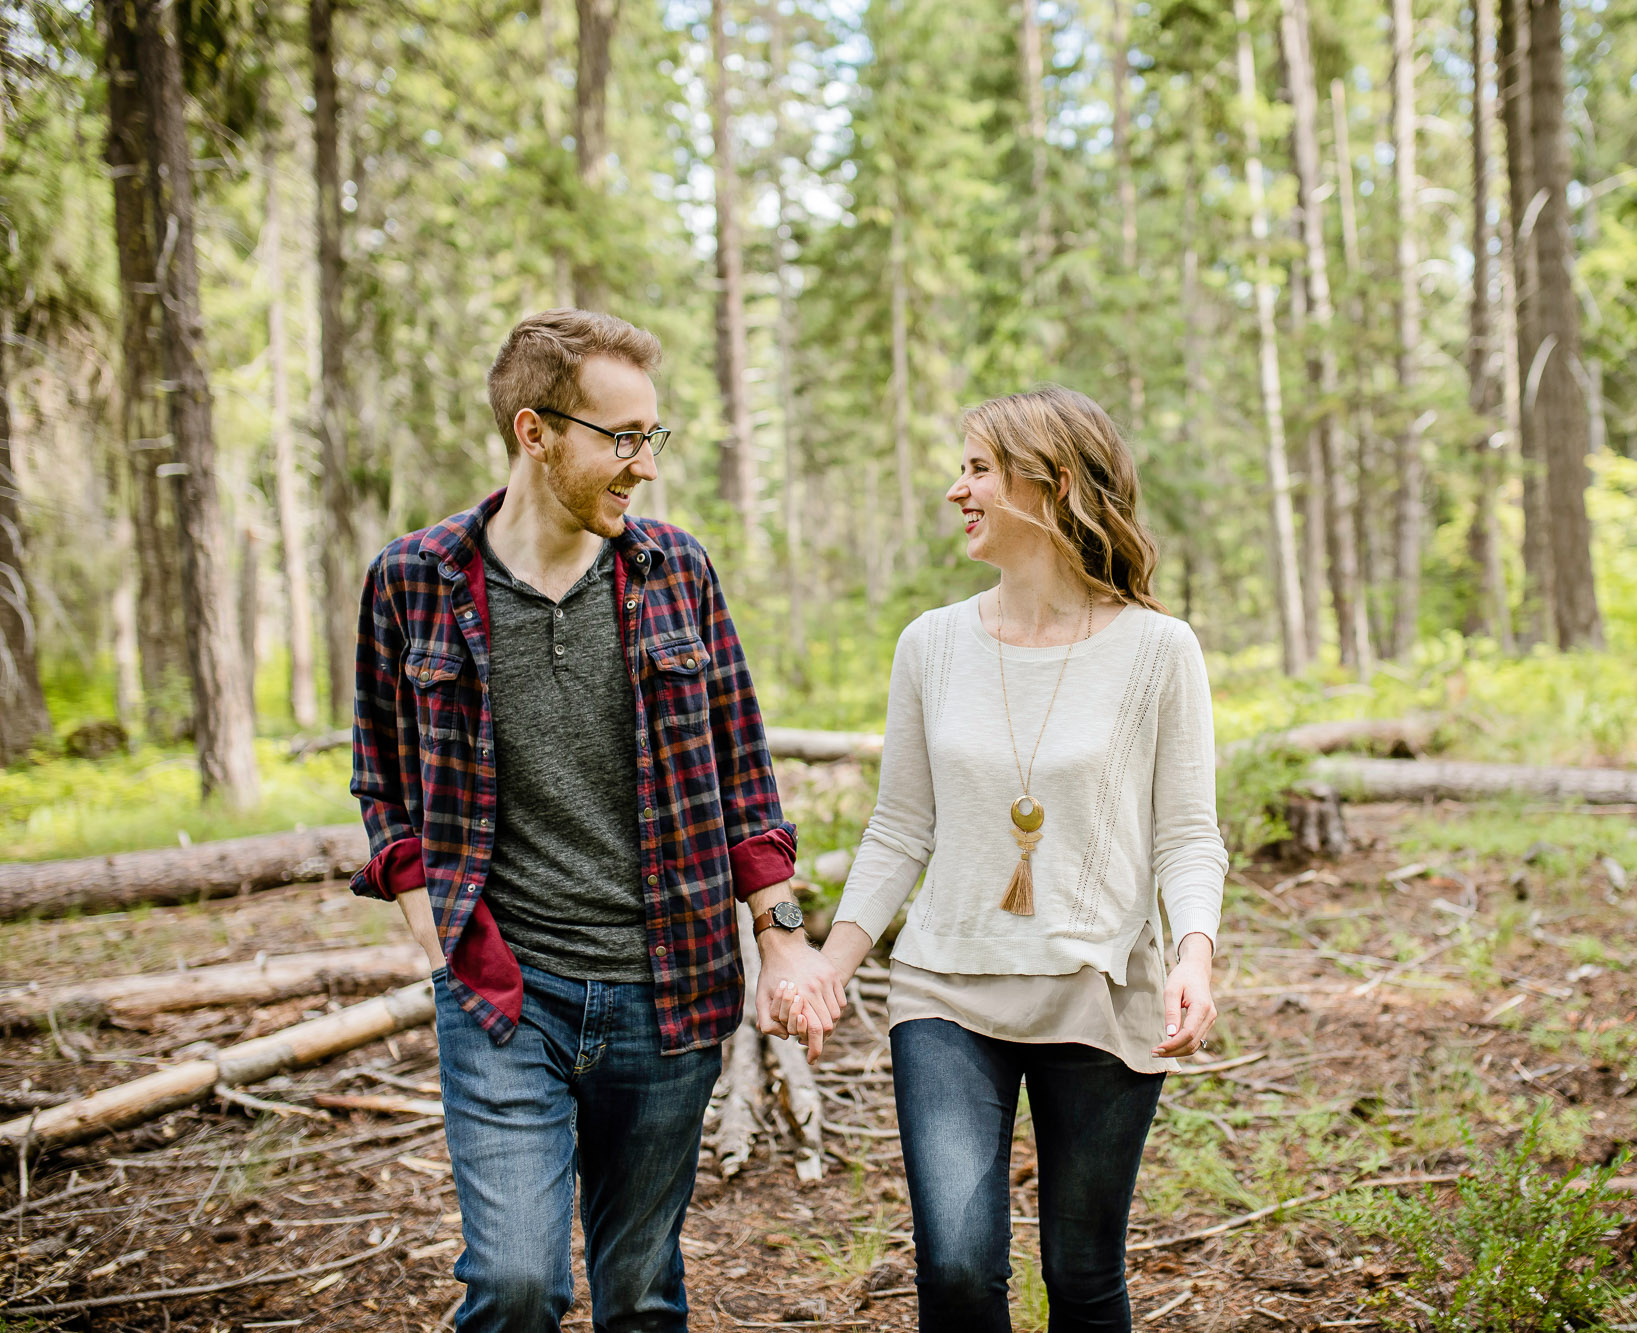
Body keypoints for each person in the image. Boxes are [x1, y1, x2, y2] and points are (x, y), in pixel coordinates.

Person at [348, 308, 844, 1332]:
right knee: (517, 1286)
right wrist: (428, 923)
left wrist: (783, 940)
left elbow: (744, 775)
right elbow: (381, 774)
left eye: (649, 438)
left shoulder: (678, 572)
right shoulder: (414, 580)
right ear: (535, 433)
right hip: (502, 994)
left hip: (667, 990)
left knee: (639, 1293)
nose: (643, 466)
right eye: (622, 439)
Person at [816, 385, 1228, 1331]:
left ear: (1051, 485)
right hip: (946, 991)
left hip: (1099, 988)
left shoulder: (1160, 650)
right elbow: (898, 825)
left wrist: (1194, 956)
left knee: (1082, 1272)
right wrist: (833, 965)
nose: (955, 490)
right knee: (958, 1268)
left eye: (977, 469)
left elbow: (1187, 832)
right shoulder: (931, 643)